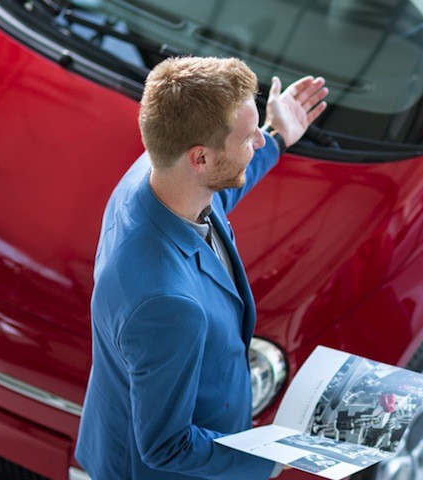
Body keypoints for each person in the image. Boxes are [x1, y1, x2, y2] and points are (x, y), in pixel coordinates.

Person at [75, 56, 328, 479]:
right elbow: (166, 445)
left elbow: (219, 195)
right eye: (249, 137)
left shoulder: (155, 176)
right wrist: (268, 459)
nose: (258, 143)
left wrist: (280, 135)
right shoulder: (166, 301)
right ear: (201, 159)